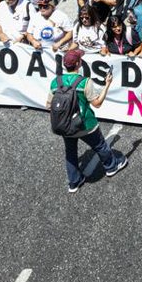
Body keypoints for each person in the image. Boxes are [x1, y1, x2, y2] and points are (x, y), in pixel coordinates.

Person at [49, 48, 127, 193]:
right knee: (100, 146)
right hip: (85, 124)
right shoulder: (84, 82)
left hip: (65, 125)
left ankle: (74, 181)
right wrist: (107, 84)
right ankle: (111, 166)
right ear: (78, 64)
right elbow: (97, 103)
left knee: (70, 153)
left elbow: (49, 104)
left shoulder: (56, 82)